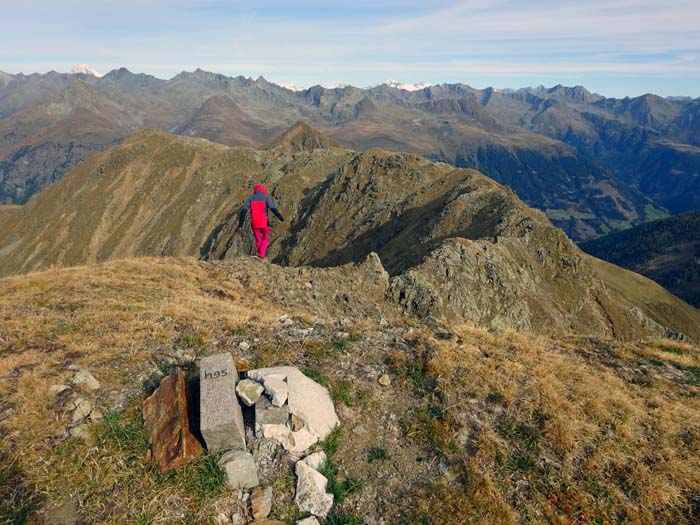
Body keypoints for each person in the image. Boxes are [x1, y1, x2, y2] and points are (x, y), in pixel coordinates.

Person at [237, 185, 284, 259]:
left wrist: (240, 224)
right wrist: (281, 217)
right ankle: (261, 255)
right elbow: (273, 209)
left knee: (258, 240)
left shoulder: (250, 199)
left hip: (254, 223)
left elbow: (243, 211)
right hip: (264, 222)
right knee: (265, 239)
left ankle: (260, 255)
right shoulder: (266, 198)